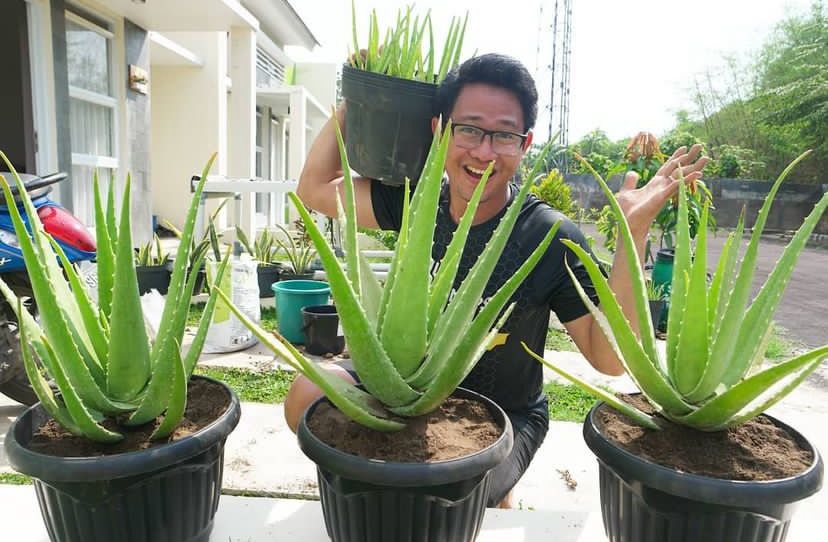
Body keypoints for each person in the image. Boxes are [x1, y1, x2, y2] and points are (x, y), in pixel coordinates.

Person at [288, 53, 708, 508]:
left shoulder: (547, 235)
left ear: (524, 144)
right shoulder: (414, 201)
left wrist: (632, 234)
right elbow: (313, 188)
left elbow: (608, 358)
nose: (484, 151)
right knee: (304, 394)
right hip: (401, 389)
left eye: (504, 135)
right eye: (468, 129)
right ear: (439, 131)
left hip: (500, 412)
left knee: (449, 494)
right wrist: (358, 99)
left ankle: (497, 489)